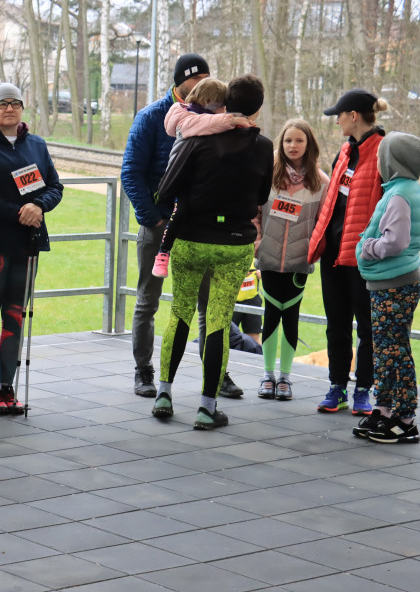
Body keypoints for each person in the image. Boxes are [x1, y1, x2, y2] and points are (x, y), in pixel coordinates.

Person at [152, 75, 273, 430]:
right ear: (258, 107)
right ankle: (207, 407)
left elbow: (168, 187)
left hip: (190, 237)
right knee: (219, 320)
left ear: (224, 103)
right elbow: (262, 196)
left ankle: (164, 394)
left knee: (180, 314)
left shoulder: (197, 137)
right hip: (234, 243)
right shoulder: (264, 146)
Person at [120, 54, 243, 400]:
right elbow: (130, 173)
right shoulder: (151, 118)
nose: (202, 83)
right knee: (148, 299)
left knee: (208, 304)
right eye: (195, 78)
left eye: (207, 76)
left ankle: (215, 373)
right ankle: (143, 370)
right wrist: (154, 218)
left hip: (200, 226)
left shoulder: (218, 119)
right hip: (158, 224)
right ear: (180, 83)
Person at [0, 83, 64, 415]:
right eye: (2, 103)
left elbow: (54, 186)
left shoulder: (36, 144)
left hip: (27, 245)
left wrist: (39, 206)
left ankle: (8, 386)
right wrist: (20, 213)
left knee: (15, 316)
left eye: (16, 102)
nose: (9, 108)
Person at [308, 89, 388, 415]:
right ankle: (337, 386)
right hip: (333, 255)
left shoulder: (384, 153)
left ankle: (363, 391)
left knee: (367, 328)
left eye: (338, 115)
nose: (336, 120)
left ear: (353, 116)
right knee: (336, 323)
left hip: (363, 258)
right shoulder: (344, 151)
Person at [352, 132, 420, 444]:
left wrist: (368, 247)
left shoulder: (399, 195)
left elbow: (395, 241)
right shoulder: (406, 190)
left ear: (392, 162)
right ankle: (386, 410)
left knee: (390, 351)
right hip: (396, 282)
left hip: (393, 285)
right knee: (393, 349)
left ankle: (402, 418)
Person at [256, 119, 329, 400]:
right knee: (271, 315)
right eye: (288, 141)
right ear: (281, 144)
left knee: (291, 317)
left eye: (299, 141)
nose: (293, 146)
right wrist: (257, 243)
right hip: (269, 260)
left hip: (299, 264)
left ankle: (285, 378)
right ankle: (267, 375)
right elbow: (255, 212)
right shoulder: (268, 176)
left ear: (309, 144)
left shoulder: (320, 183)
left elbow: (323, 224)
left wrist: (312, 251)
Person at [153, 76, 250, 277]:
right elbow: (204, 124)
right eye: (221, 106)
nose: (223, 110)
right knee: (181, 211)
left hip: (196, 175)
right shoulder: (186, 116)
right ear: (207, 103)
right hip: (184, 175)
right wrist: (231, 120)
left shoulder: (194, 115)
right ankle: (163, 252)